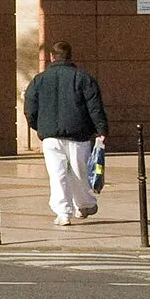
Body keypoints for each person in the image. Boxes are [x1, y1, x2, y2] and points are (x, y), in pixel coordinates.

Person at [23, 40, 108, 227]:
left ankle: (63, 213)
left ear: (52, 57)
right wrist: (101, 129)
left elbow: (30, 107)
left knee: (57, 174)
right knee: (79, 171)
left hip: (50, 136)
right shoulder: (83, 78)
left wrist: (38, 126)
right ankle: (84, 204)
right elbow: (95, 107)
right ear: (70, 57)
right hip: (78, 135)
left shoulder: (39, 80)